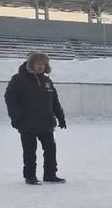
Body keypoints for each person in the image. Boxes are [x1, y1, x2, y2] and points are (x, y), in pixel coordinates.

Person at [4, 51, 66, 184]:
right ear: (31, 64)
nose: (41, 66)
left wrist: (60, 117)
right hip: (27, 122)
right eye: (38, 63)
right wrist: (16, 116)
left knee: (50, 150)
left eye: (43, 64)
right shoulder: (18, 79)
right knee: (29, 151)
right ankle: (30, 176)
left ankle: (50, 174)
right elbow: (10, 98)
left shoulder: (47, 81)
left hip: (46, 122)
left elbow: (54, 101)